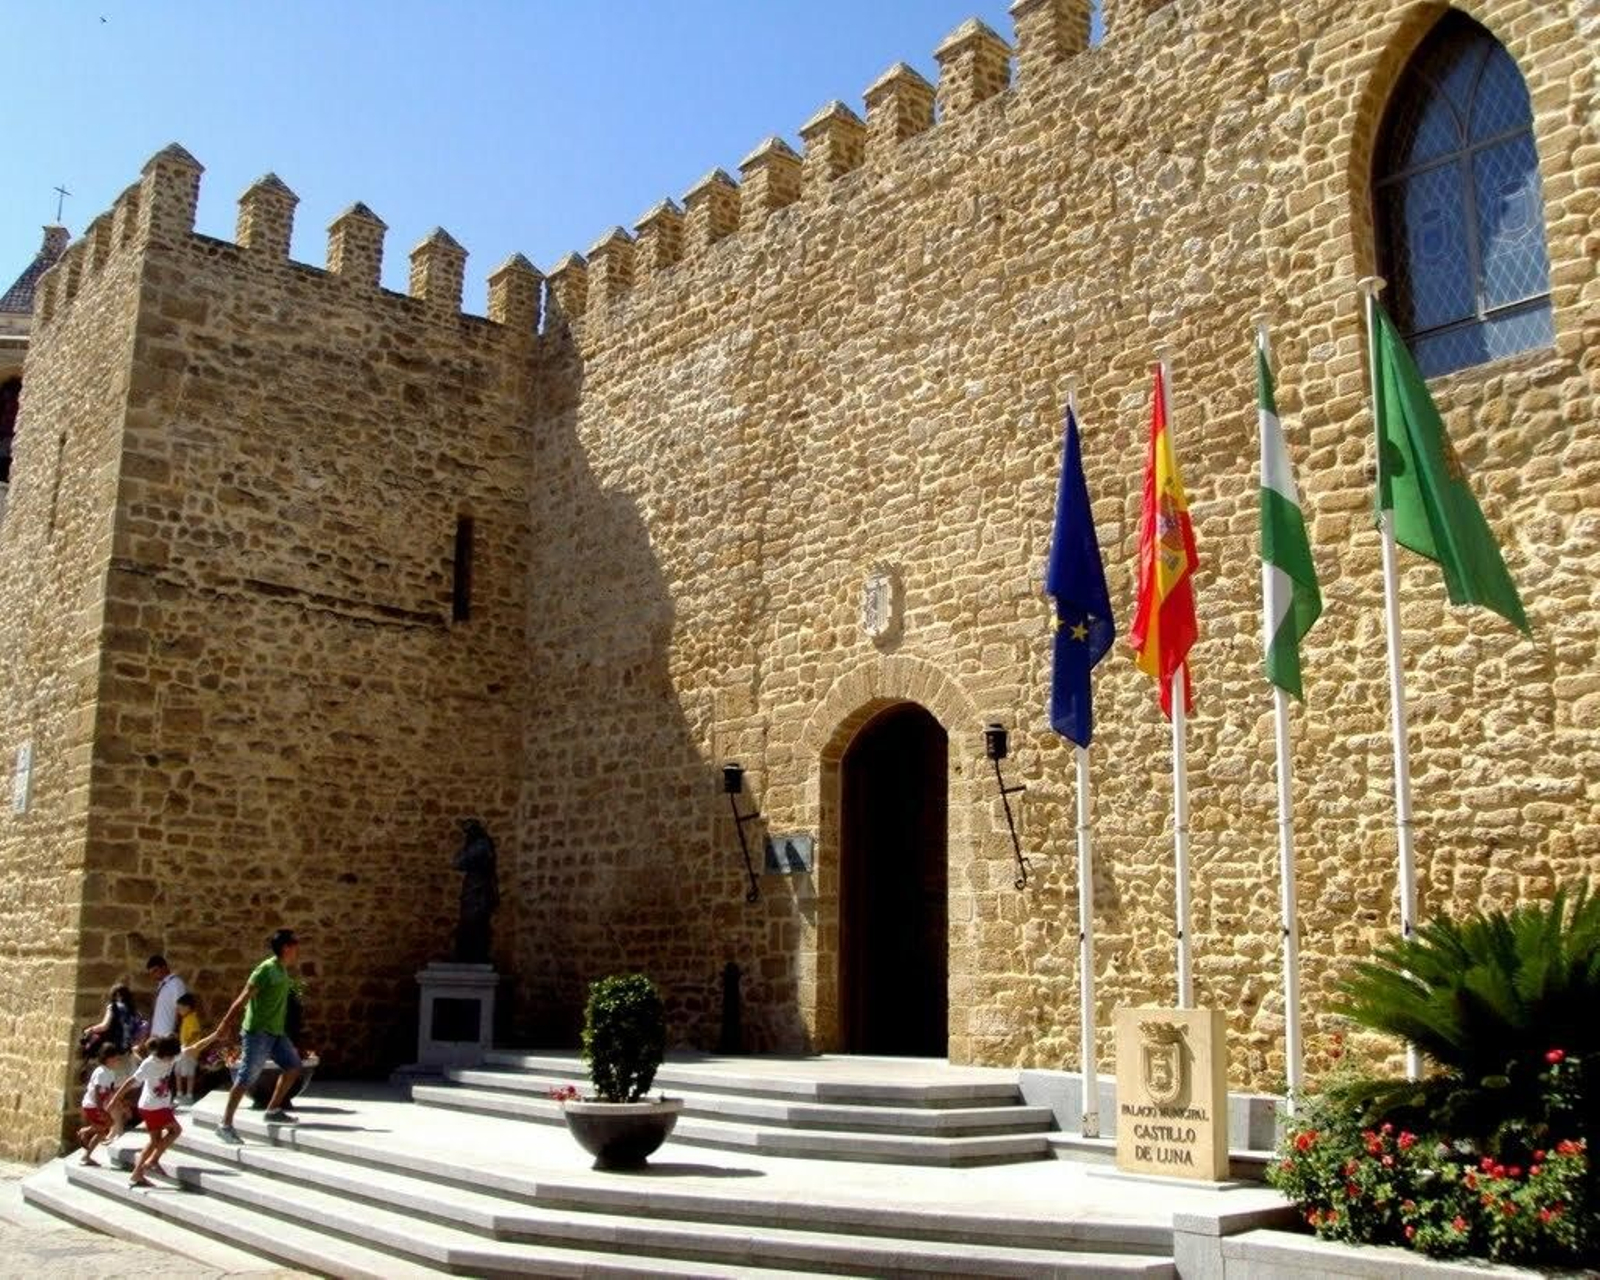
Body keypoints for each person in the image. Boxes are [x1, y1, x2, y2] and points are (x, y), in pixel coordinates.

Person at [214, 928, 302, 1145]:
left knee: (293, 1067)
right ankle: (225, 1124)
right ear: (286, 948)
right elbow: (243, 998)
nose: (297, 950)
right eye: (294, 946)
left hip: (276, 1032)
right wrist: (225, 1024)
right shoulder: (265, 970)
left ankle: (272, 1110)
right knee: (246, 1077)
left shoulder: (281, 969)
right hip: (258, 1032)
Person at [109, 1025, 221, 1188]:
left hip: (156, 1106)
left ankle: (138, 1173)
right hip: (153, 1107)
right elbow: (131, 1082)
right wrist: (115, 1099)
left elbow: (194, 1048)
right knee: (175, 1130)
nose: (174, 1059)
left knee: (155, 1141)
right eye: (172, 1056)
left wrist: (215, 1035)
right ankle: (150, 1162)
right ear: (166, 1053)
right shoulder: (149, 1063)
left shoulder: (172, 1056)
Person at [75, 1043, 126, 1166]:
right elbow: (98, 1091)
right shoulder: (101, 1072)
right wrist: (100, 1109)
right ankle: (85, 1132)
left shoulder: (111, 1073)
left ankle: (86, 1157)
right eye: (115, 1058)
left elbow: (110, 1091)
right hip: (92, 1105)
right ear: (108, 1058)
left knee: (102, 1131)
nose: (117, 1060)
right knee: (108, 1124)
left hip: (97, 1106)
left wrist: (117, 1103)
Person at [81, 984, 141, 1054]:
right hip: (127, 1048)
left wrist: (90, 1030)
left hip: (112, 1047)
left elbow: (104, 1026)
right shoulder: (132, 1009)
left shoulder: (113, 1007)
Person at [146, 954, 188, 1039]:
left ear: (164, 967)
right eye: (152, 973)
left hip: (168, 1036)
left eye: (155, 971)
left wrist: (175, 1032)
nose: (154, 976)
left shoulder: (176, 983)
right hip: (156, 1036)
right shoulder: (161, 986)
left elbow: (181, 1009)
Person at [173, 992, 203, 1107]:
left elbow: (195, 1033)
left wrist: (187, 1044)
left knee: (190, 1074)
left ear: (188, 1007)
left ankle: (189, 1095)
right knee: (178, 1072)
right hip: (183, 1051)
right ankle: (180, 1093)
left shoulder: (192, 1018)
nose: (178, 1011)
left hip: (190, 1052)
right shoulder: (186, 1018)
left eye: (180, 1008)